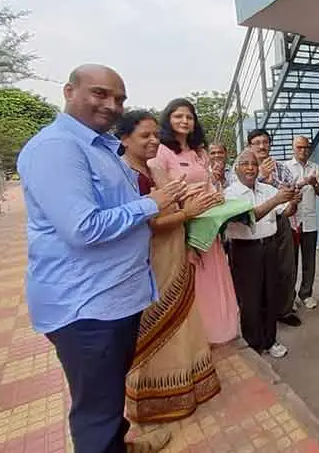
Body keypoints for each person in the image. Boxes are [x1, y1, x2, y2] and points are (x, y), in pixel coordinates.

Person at [17, 64, 184, 453]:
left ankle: (118, 445)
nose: (112, 105)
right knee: (96, 413)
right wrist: (152, 203)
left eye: (119, 99)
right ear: (69, 91)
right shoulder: (57, 148)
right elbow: (83, 228)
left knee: (107, 399)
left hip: (112, 299)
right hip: (87, 306)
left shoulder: (99, 147)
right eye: (100, 94)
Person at [116, 110, 223, 423]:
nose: (153, 140)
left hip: (175, 251)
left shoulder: (151, 168)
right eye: (145, 136)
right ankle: (157, 398)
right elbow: (148, 224)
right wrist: (188, 213)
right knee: (157, 323)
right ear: (124, 139)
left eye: (155, 134)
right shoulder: (125, 175)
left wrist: (196, 203)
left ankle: (189, 385)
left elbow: (174, 202)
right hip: (152, 259)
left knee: (182, 318)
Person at [151, 98, 239, 345]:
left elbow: (209, 184)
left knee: (214, 277)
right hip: (182, 224)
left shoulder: (200, 152)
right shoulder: (162, 152)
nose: (184, 121)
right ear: (168, 119)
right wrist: (186, 202)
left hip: (208, 225)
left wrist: (216, 195)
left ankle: (219, 331)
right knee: (194, 279)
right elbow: (163, 191)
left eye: (189, 117)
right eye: (178, 116)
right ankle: (197, 339)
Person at [224, 149, 300, 358]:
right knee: (250, 300)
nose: (250, 168)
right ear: (236, 169)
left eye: (254, 164)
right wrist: (277, 200)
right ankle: (254, 344)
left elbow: (286, 211)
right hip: (245, 250)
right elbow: (248, 218)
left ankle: (270, 340)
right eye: (245, 164)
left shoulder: (267, 189)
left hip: (270, 246)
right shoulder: (230, 194)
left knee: (270, 295)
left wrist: (294, 200)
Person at [246, 128, 302, 327]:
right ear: (249, 146)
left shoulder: (281, 168)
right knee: (260, 272)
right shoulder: (243, 167)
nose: (262, 146)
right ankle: (263, 313)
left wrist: (294, 198)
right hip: (254, 224)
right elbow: (238, 193)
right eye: (257, 143)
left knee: (286, 268)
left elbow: (290, 193)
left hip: (280, 221)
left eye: (265, 142)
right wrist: (260, 176)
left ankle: (284, 310)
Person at [285, 136, 319, 310]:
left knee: (309, 261)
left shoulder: (315, 168)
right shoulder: (285, 168)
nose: (303, 150)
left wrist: (314, 183)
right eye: (299, 147)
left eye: (306, 147)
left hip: (310, 222)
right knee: (291, 262)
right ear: (293, 148)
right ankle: (290, 297)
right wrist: (301, 183)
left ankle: (306, 294)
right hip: (291, 222)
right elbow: (283, 192)